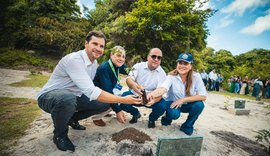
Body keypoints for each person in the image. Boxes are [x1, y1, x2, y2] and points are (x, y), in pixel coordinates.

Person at [36, 31, 141, 152]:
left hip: (76, 96)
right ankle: (60, 135)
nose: (98, 48)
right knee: (67, 99)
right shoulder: (75, 60)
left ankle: (72, 119)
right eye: (94, 44)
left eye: (101, 46)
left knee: (104, 103)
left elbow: (127, 70)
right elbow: (91, 91)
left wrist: (134, 81)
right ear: (86, 43)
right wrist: (123, 100)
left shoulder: (94, 63)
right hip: (50, 96)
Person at [147, 52, 207, 135]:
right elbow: (163, 88)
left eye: (185, 63)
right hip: (172, 103)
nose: (182, 65)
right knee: (174, 114)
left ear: (190, 66)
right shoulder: (171, 76)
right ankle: (167, 119)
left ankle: (187, 126)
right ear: (177, 64)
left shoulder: (196, 76)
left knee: (199, 105)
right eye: (180, 63)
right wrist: (152, 95)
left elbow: (203, 96)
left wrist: (183, 100)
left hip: (187, 104)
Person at [120, 48, 167, 128]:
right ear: (148, 57)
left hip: (152, 98)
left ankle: (152, 119)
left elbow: (160, 92)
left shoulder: (162, 74)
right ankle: (135, 113)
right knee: (122, 101)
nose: (156, 59)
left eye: (159, 57)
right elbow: (129, 79)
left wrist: (154, 100)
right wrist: (134, 86)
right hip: (136, 95)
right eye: (153, 56)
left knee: (162, 106)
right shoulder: (137, 66)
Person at [93, 46, 128, 125]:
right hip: (97, 95)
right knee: (115, 100)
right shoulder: (104, 68)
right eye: (118, 55)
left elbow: (130, 72)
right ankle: (96, 117)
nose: (121, 59)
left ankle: (104, 111)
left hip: (107, 90)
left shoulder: (120, 65)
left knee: (121, 94)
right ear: (111, 55)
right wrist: (118, 111)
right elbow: (108, 92)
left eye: (123, 57)